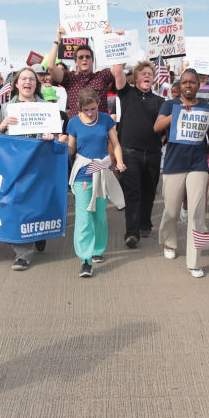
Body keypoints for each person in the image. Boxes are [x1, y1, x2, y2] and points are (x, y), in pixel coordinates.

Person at [153, 68, 209, 278]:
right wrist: (178, 113)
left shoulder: (206, 108)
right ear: (180, 85)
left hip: (198, 165)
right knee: (172, 211)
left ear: (198, 85)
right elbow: (157, 127)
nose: (188, 85)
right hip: (174, 165)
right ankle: (169, 242)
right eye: (184, 82)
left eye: (192, 82)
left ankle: (193, 262)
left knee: (197, 213)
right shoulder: (170, 104)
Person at [0, 67, 68, 270]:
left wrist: (52, 136)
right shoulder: (6, 108)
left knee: (38, 202)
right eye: (23, 79)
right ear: (16, 84)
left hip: (40, 163)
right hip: (16, 166)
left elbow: (57, 135)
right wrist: (1, 127)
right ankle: (23, 254)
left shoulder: (47, 107)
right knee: (17, 205)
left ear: (36, 84)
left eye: (31, 79)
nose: (27, 82)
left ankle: (39, 233)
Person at [67, 88, 126, 278]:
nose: (90, 113)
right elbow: (70, 150)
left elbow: (115, 144)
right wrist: (60, 143)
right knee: (84, 217)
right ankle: (85, 259)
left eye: (93, 109)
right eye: (86, 110)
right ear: (80, 108)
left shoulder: (106, 119)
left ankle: (98, 249)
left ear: (98, 103)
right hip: (83, 174)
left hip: (102, 171)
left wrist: (119, 161)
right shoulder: (73, 123)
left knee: (99, 215)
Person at [116, 61, 164, 248]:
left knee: (149, 191)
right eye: (143, 73)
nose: (146, 76)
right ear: (135, 78)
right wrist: (115, 41)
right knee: (133, 192)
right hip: (130, 152)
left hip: (152, 153)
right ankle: (132, 232)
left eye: (149, 74)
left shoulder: (161, 102)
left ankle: (145, 224)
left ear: (153, 79)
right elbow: (118, 72)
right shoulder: (127, 94)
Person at [45, 24, 127, 115]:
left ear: (92, 61)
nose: (84, 59)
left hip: (99, 126)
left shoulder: (102, 76)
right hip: (77, 127)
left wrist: (116, 39)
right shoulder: (69, 78)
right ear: (76, 62)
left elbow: (119, 66)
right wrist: (58, 40)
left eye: (88, 57)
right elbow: (50, 66)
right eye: (81, 57)